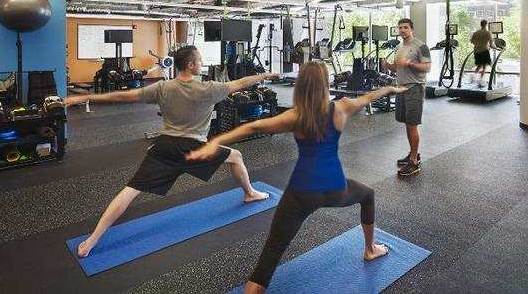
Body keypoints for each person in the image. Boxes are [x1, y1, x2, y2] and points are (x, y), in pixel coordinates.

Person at [186, 61, 406, 293]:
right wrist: (391, 89)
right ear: (325, 84)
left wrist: (216, 142)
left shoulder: (295, 116)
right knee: (367, 195)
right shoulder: (341, 108)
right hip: (335, 188)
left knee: (270, 256)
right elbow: (368, 97)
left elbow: (255, 127)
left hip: (300, 193)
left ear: (301, 86)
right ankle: (370, 249)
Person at [63, 45, 275, 258]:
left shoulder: (162, 88)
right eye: (200, 60)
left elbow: (123, 96)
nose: (202, 64)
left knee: (130, 190)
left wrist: (84, 98)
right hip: (194, 149)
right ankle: (249, 194)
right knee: (236, 156)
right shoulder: (210, 88)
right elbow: (240, 83)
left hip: (165, 147)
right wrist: (265, 74)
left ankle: (92, 240)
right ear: (191, 65)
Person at [384, 18, 431, 177]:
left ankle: (414, 162)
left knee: (412, 125)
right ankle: (413, 153)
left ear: (411, 29)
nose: (402, 30)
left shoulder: (421, 46)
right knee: (406, 123)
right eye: (400, 28)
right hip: (401, 88)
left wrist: (409, 63)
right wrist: (388, 66)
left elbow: (427, 67)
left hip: (415, 88)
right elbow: (398, 69)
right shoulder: (399, 47)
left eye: (405, 27)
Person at [470, 20, 495, 88]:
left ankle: (473, 76)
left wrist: (478, 44)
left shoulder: (476, 33)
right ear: (486, 24)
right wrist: (495, 47)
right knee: (484, 66)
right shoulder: (488, 33)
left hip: (477, 51)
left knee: (479, 65)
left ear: (481, 24)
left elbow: (472, 41)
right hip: (484, 50)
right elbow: (491, 44)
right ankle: (481, 80)